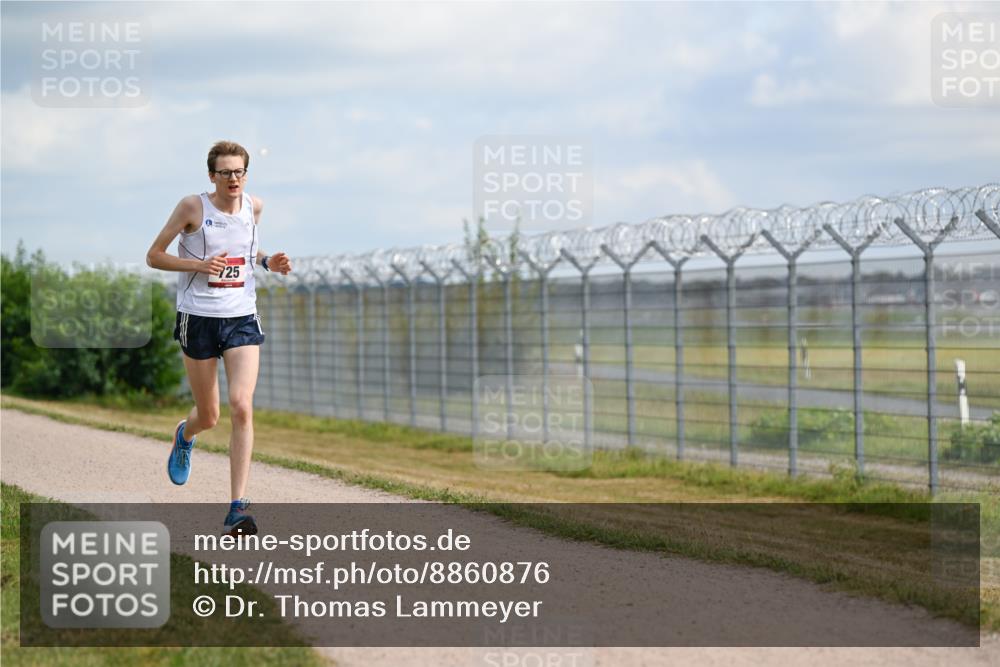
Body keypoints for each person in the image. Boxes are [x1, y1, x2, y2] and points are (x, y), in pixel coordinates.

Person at [146, 140, 292, 536]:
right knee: (209, 415)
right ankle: (185, 433)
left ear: (247, 174)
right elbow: (154, 255)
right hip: (199, 317)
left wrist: (266, 262)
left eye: (239, 172)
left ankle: (237, 507)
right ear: (212, 175)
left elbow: (246, 251)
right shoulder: (193, 207)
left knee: (241, 405)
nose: (233, 179)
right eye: (225, 172)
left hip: (241, 316)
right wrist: (198, 264)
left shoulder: (253, 207)